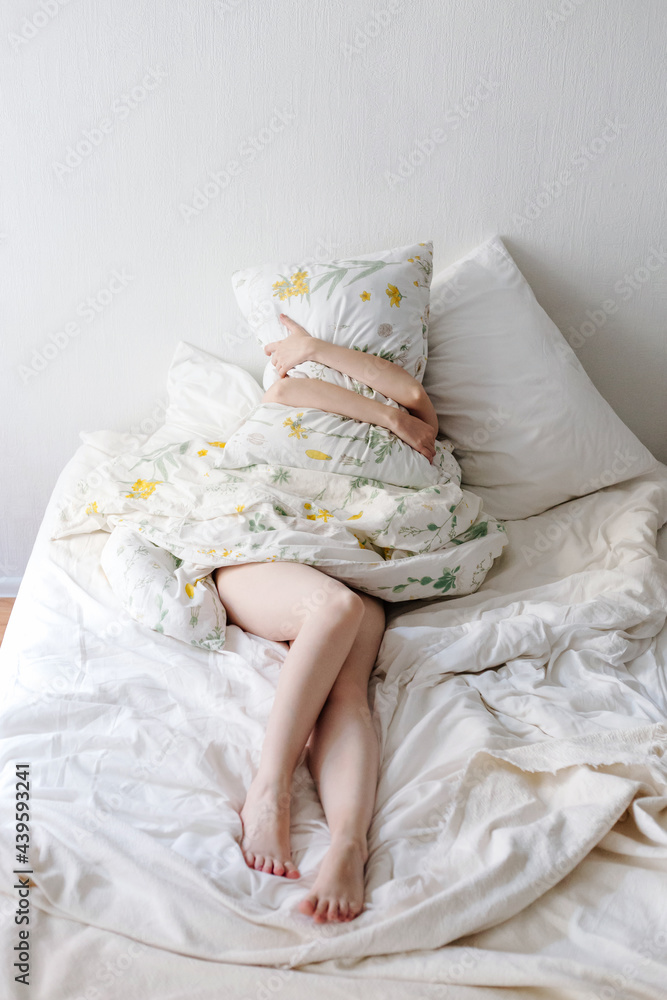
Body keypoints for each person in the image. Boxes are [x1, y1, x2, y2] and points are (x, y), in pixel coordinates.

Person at [214, 313, 440, 925]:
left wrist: (318, 346)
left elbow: (413, 399)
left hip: (355, 558)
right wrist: (381, 410)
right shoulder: (291, 386)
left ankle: (348, 845)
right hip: (262, 547)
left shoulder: (404, 410)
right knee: (333, 608)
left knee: (349, 693)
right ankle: (269, 791)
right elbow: (289, 392)